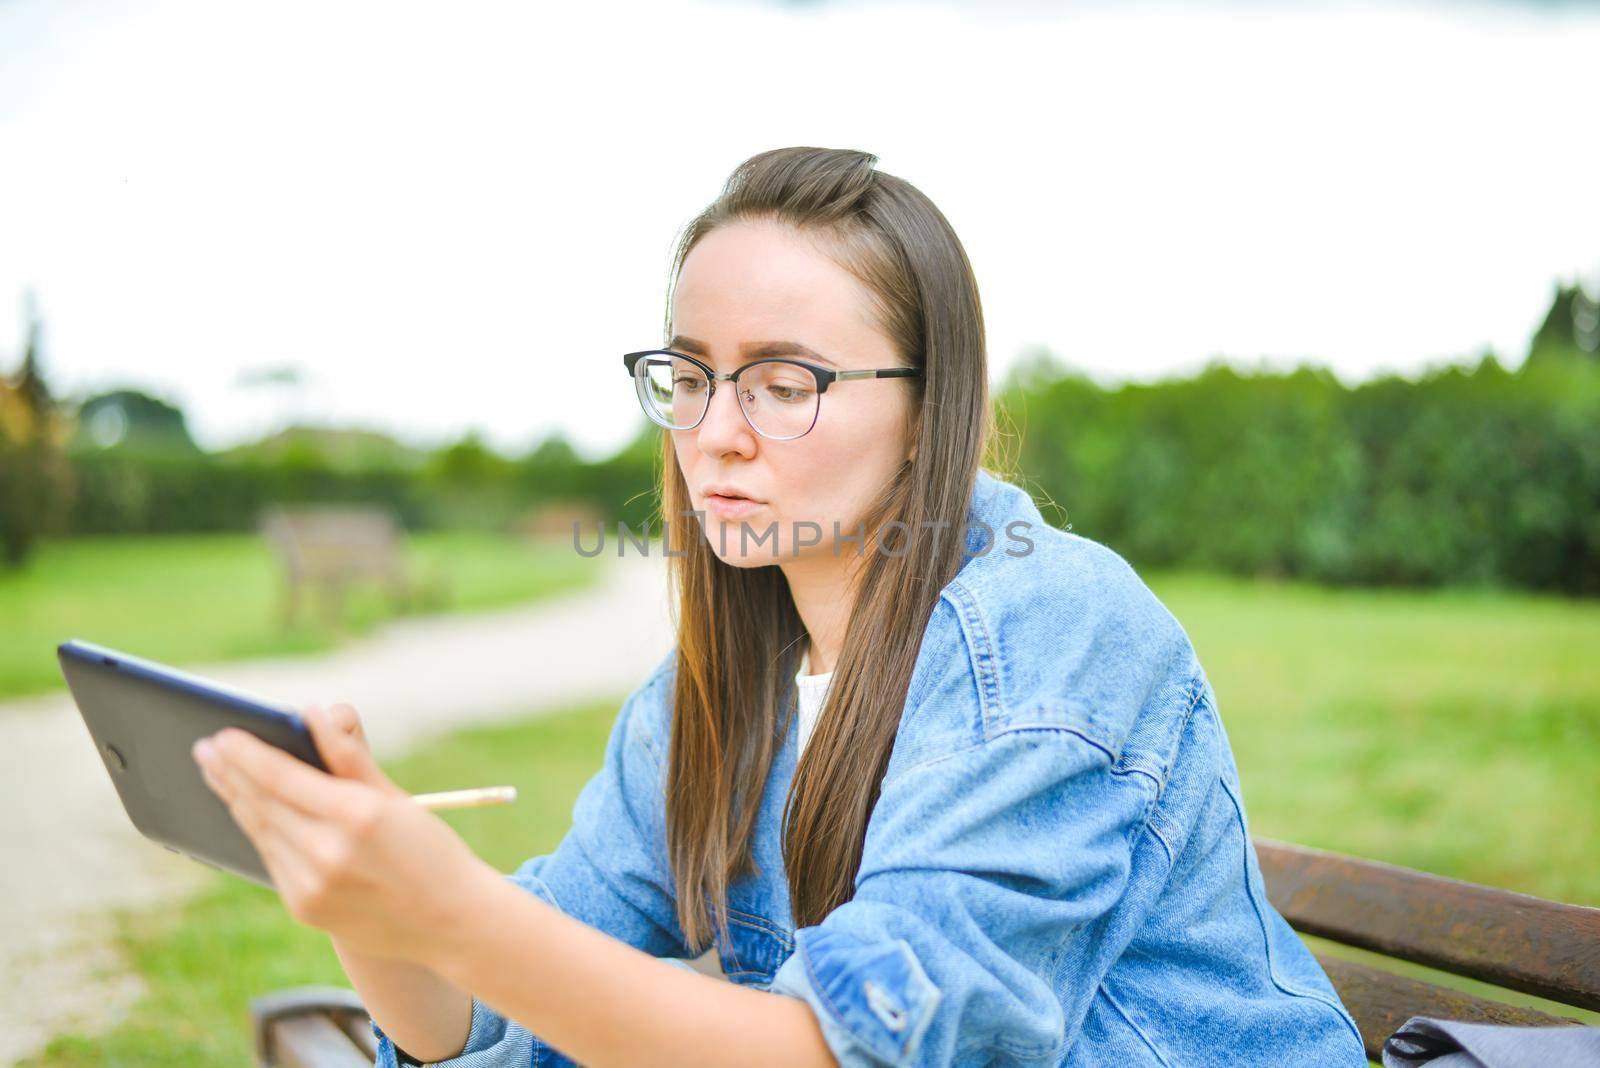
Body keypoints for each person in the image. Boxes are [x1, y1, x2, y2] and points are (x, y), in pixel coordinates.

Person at [192, 146, 1367, 1066]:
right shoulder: (712, 696)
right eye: (691, 375)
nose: (714, 433)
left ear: (926, 411)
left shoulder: (1051, 636)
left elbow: (842, 1054)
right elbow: (484, 1029)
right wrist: (379, 902)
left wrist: (461, 918)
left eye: (785, 381)